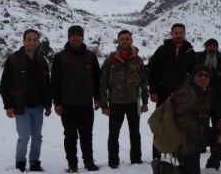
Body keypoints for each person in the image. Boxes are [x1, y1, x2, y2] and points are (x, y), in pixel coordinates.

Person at [0, 29, 52, 172]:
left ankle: (34, 162)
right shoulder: (13, 59)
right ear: (24, 41)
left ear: (38, 42)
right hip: (20, 106)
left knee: (37, 136)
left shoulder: (42, 61)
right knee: (24, 136)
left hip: (38, 106)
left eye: (35, 39)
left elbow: (46, 85)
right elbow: (4, 85)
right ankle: (20, 163)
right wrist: (8, 106)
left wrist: (48, 105)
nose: (32, 42)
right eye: (29, 39)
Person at [51, 25, 101, 172]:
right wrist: (57, 102)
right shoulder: (60, 57)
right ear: (68, 37)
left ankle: (89, 162)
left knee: (87, 136)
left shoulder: (90, 56)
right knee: (70, 137)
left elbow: (97, 79)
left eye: (78, 34)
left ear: (82, 37)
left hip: (86, 103)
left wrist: (97, 98)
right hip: (67, 104)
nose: (76, 37)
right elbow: (55, 82)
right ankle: (72, 165)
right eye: (73, 34)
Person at [99, 30, 149, 169]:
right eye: (122, 39)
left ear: (131, 40)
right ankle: (113, 161)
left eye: (127, 39)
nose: (125, 41)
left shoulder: (138, 60)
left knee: (135, 133)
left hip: (134, 102)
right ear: (118, 41)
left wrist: (145, 102)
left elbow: (144, 82)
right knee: (114, 134)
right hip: (115, 103)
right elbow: (103, 83)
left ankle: (136, 160)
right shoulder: (111, 60)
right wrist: (104, 105)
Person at [148, 23, 197, 161]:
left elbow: (194, 73)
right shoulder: (162, 50)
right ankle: (157, 155)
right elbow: (153, 71)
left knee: (180, 123)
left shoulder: (189, 51)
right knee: (161, 123)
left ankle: (179, 153)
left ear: (184, 34)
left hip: (182, 95)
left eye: (181, 32)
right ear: (171, 34)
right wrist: (153, 90)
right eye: (176, 32)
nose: (178, 35)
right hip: (163, 93)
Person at [171, 64, 214, 174]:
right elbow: (181, 120)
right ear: (193, 76)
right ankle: (165, 170)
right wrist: (200, 129)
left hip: (196, 136)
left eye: (206, 75)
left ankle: (213, 164)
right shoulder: (186, 92)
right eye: (200, 75)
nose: (203, 78)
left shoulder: (205, 92)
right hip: (184, 139)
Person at [196, 38, 221, 170]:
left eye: (214, 46)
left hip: (217, 97)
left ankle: (215, 146)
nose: (212, 48)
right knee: (201, 122)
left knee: (217, 123)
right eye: (210, 46)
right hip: (201, 97)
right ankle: (201, 146)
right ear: (206, 47)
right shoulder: (199, 58)